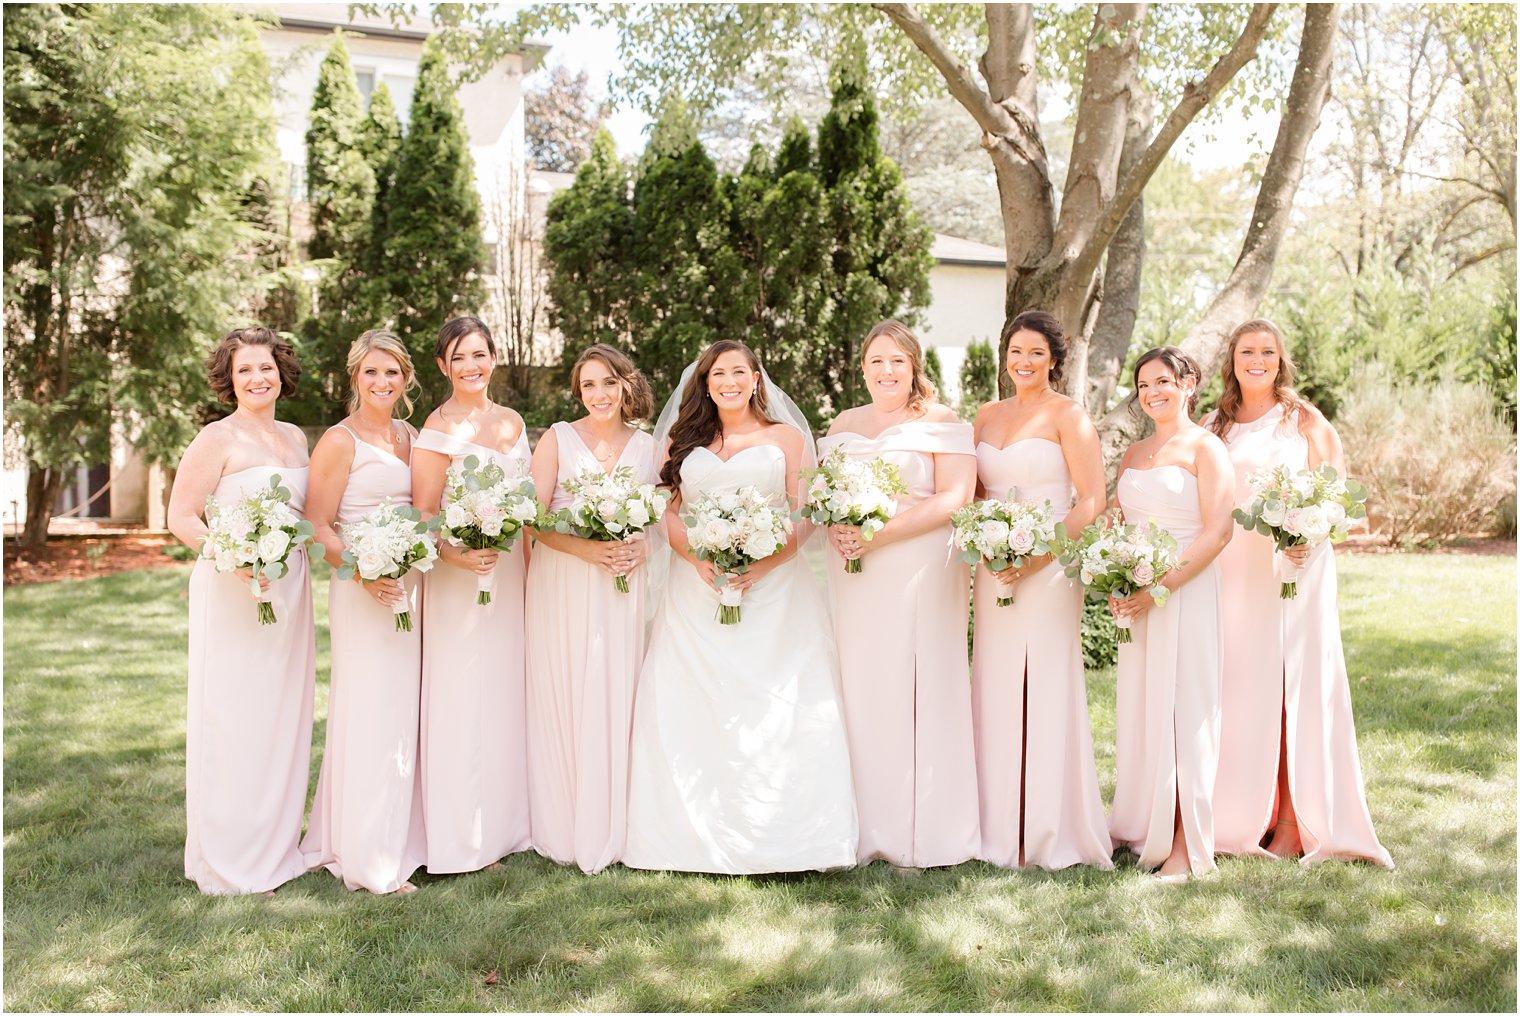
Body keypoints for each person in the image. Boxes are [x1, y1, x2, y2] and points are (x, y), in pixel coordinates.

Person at [622, 339, 858, 874]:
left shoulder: (788, 438)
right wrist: (698, 560)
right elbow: (669, 514)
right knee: (693, 698)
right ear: (704, 384)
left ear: (756, 378)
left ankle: (788, 840)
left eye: (737, 372)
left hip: (774, 589)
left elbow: (804, 513)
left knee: (772, 704)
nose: (727, 382)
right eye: (716, 375)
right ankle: (684, 839)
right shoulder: (684, 442)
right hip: (695, 587)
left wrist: (763, 563)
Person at [1207, 319, 1393, 868]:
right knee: (1244, 692)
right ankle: (1250, 814)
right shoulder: (1215, 425)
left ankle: (1295, 821)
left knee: (1294, 687)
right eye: (1247, 351)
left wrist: (1307, 536)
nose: (1257, 360)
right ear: (1232, 360)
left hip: (1296, 568)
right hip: (1234, 577)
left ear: (1281, 359)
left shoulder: (1303, 420)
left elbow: (1338, 496)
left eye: (1268, 351)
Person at [818, 320, 978, 868]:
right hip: (854, 573)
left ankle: (926, 828)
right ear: (862, 368)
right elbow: (823, 494)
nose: (886, 372)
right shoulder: (842, 424)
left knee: (920, 683)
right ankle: (864, 825)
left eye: (897, 362)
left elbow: (956, 497)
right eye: (876, 361)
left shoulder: (942, 423)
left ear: (914, 368)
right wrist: (837, 528)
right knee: (863, 686)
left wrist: (878, 534)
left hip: (920, 567)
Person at [168, 327, 315, 895]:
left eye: (267, 367)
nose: (258, 378)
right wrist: (228, 555)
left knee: (282, 716)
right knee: (234, 717)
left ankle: (276, 847)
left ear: (282, 372)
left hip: (290, 586)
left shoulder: (296, 439)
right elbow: (182, 515)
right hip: (233, 587)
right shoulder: (215, 438)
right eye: (245, 370)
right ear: (230, 380)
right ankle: (228, 857)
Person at [969, 311, 1113, 870]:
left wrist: (1036, 557)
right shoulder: (984, 416)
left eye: (1034, 352)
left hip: (1049, 567)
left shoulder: (1068, 416)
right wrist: (989, 544)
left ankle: (1050, 827)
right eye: (1014, 351)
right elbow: (976, 493)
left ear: (1054, 359)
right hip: (993, 566)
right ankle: (998, 826)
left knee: (1045, 684)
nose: (1022, 362)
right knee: (996, 683)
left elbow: (1092, 501)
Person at [301, 329, 427, 894]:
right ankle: (368, 857)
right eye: (372, 372)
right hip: (363, 586)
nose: (382, 382)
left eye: (392, 372)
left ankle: (403, 836)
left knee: (405, 711)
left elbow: (423, 509)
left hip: (411, 585)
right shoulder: (339, 440)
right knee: (372, 708)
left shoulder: (411, 434)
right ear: (355, 376)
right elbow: (318, 526)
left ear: (406, 379)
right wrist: (365, 572)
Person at [526, 344, 658, 873]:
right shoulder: (557, 438)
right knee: (568, 686)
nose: (598, 395)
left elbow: (663, 520)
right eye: (588, 386)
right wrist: (588, 550)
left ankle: (618, 820)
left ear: (627, 385)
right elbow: (532, 520)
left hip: (623, 586)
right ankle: (564, 819)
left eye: (608, 383)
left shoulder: (650, 447)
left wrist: (639, 549)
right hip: (564, 580)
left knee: (616, 689)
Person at [410, 316, 533, 875]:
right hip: (459, 578)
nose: (471, 366)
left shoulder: (511, 422)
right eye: (459, 357)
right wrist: (459, 554)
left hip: (508, 577)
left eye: (479, 354)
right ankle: (460, 840)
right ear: (442, 365)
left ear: (493, 358)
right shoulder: (436, 429)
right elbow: (425, 512)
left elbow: (528, 502)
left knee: (504, 694)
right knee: (461, 698)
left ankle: (504, 829)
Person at [1108, 347, 1233, 880]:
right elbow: (1117, 519)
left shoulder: (1207, 447)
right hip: (1137, 595)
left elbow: (1219, 530)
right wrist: (1112, 572)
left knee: (1186, 710)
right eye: (1142, 385)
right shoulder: (1134, 454)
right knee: (1145, 708)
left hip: (1185, 590)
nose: (1152, 392)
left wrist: (1162, 585)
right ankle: (1145, 825)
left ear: (1189, 384)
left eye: (1162, 381)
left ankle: (1186, 847)